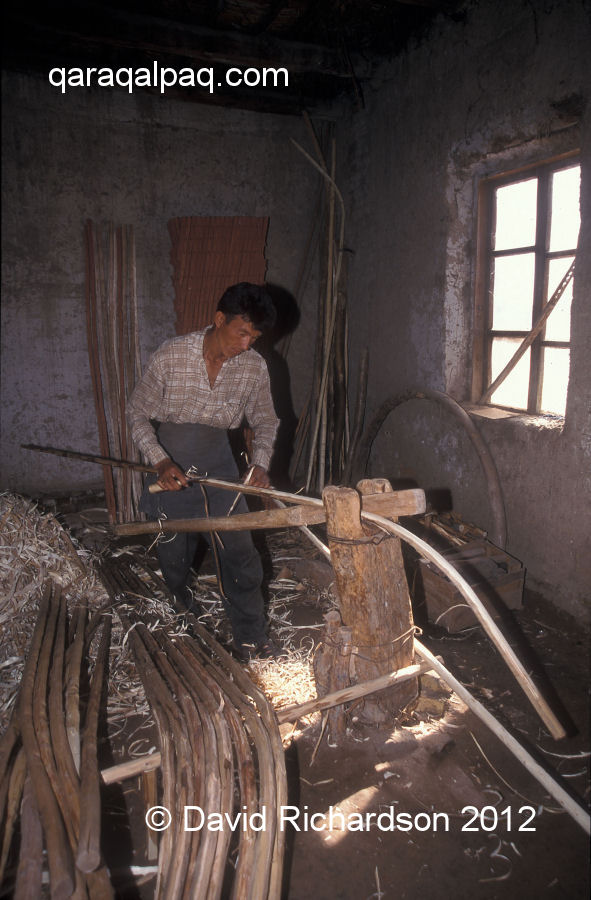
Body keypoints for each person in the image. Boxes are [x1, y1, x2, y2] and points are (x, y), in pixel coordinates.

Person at [128, 282, 281, 660]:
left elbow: (266, 420)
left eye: (254, 337)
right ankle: (185, 626)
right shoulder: (172, 355)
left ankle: (251, 636)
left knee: (240, 555)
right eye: (241, 332)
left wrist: (260, 462)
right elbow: (137, 413)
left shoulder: (253, 367)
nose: (245, 344)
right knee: (174, 559)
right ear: (218, 320)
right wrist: (159, 459)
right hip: (170, 463)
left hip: (219, 463)